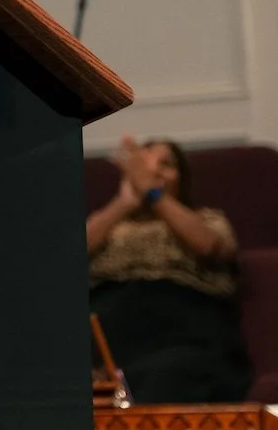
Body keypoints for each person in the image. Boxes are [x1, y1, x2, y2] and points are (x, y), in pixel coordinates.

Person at [87, 137, 252, 404]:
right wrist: (125, 202)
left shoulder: (207, 218)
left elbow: (209, 246)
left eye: (165, 165)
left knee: (166, 374)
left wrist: (154, 195)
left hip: (182, 338)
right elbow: (71, 256)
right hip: (110, 342)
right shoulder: (108, 223)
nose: (153, 173)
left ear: (182, 179)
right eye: (143, 168)